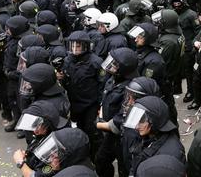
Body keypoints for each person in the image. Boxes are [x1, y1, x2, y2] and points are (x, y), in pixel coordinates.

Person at [59, 30, 104, 160]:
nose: (74, 49)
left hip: (91, 104)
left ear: (85, 46)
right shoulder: (67, 60)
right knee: (78, 131)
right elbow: (67, 82)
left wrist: (100, 105)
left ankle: (95, 157)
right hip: (75, 103)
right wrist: (61, 78)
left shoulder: (96, 62)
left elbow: (102, 85)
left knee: (93, 132)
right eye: (72, 45)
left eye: (78, 46)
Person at [95, 47, 139, 177]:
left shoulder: (131, 89)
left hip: (122, 135)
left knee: (124, 167)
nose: (111, 66)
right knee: (101, 161)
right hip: (108, 132)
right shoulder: (114, 78)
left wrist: (97, 124)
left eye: (115, 64)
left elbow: (122, 117)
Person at [124, 96, 185, 176]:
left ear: (155, 120)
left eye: (142, 120)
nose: (137, 126)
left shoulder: (171, 153)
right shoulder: (148, 136)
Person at [13, 127, 93, 177]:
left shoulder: (79, 173)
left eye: (58, 151)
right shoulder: (59, 162)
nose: (52, 154)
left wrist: (21, 163)